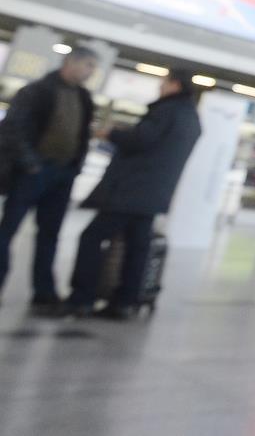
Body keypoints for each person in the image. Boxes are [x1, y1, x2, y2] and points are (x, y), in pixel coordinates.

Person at [66, 67, 201, 319]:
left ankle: (81, 298)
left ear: (175, 85)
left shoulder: (166, 110)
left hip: (132, 190)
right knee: (138, 247)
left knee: (92, 237)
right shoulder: (192, 117)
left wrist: (111, 133)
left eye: (164, 82)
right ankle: (125, 302)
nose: (159, 87)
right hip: (155, 194)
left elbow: (142, 139)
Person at [0, 47, 98, 313]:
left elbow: (82, 135)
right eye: (88, 65)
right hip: (32, 172)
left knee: (50, 235)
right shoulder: (37, 91)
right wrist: (30, 164)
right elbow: (13, 129)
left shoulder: (84, 97)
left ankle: (44, 292)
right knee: (7, 231)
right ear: (71, 62)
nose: (91, 72)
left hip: (62, 174)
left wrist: (75, 167)